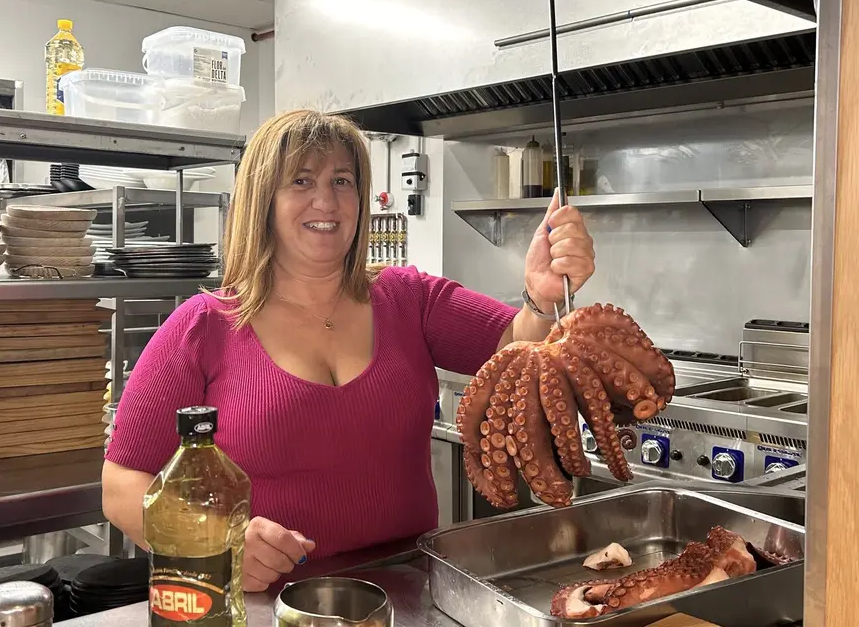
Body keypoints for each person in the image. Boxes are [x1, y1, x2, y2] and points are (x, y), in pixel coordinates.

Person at [102, 109, 595, 592]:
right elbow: (121, 483)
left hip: (412, 593)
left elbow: (516, 344)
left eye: (342, 181)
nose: (326, 201)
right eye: (301, 181)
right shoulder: (203, 326)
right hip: (271, 606)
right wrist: (214, 543)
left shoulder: (409, 298)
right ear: (262, 200)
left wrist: (541, 296)